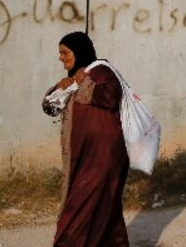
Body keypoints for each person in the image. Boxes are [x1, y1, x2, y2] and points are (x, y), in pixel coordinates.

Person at [42, 31, 129, 247]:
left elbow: (110, 96)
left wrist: (85, 82)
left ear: (78, 52)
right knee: (103, 212)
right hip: (84, 158)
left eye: (65, 52)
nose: (61, 57)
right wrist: (63, 86)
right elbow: (50, 107)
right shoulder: (77, 76)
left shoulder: (101, 71)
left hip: (102, 158)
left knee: (78, 212)